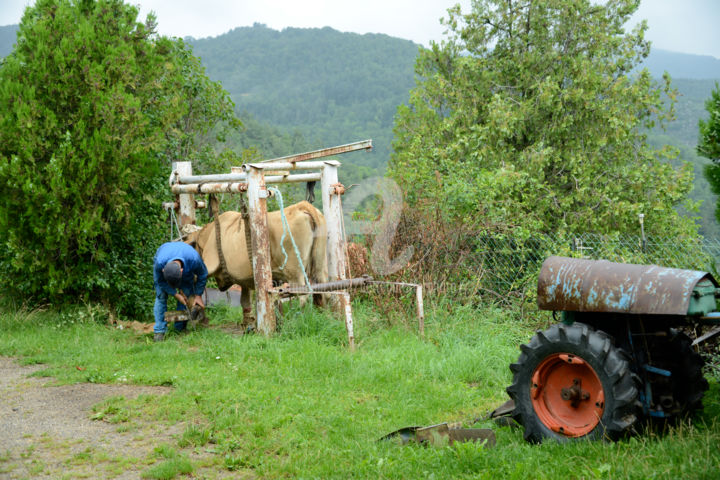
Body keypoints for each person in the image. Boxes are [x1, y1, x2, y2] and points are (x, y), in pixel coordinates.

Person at [153, 241, 208, 342]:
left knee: (186, 294)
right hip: (165, 253)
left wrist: (198, 295)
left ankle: (180, 328)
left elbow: (203, 274)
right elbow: (160, 281)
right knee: (161, 296)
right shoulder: (160, 263)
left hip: (186, 265)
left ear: (181, 271)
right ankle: (159, 331)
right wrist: (175, 294)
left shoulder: (194, 259)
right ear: (163, 270)